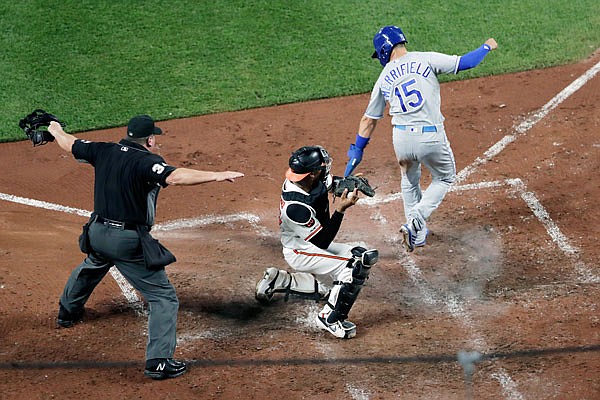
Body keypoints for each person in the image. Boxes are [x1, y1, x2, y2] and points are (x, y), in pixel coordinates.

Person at [47, 115, 244, 379]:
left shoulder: (102, 149)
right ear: (150, 140)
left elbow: (69, 143)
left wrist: (55, 128)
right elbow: (175, 177)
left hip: (97, 232)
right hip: (126, 241)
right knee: (163, 297)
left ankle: (67, 313)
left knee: (93, 263)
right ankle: (158, 362)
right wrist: (218, 175)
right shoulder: (147, 161)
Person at [344, 25, 498, 252]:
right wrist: (486, 46)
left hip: (402, 139)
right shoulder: (425, 59)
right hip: (431, 137)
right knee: (444, 178)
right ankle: (417, 218)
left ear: (385, 50)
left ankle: (416, 234)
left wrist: (356, 152)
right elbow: (465, 63)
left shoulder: (383, 78)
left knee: (408, 179)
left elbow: (369, 120)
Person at [255, 146, 378, 339]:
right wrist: (341, 209)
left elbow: (331, 183)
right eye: (321, 167)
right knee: (354, 266)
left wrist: (348, 184)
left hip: (309, 243)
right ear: (312, 173)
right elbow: (323, 240)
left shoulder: (306, 178)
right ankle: (329, 318)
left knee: (342, 274)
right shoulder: (296, 207)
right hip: (301, 251)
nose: (325, 169)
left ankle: (280, 280)